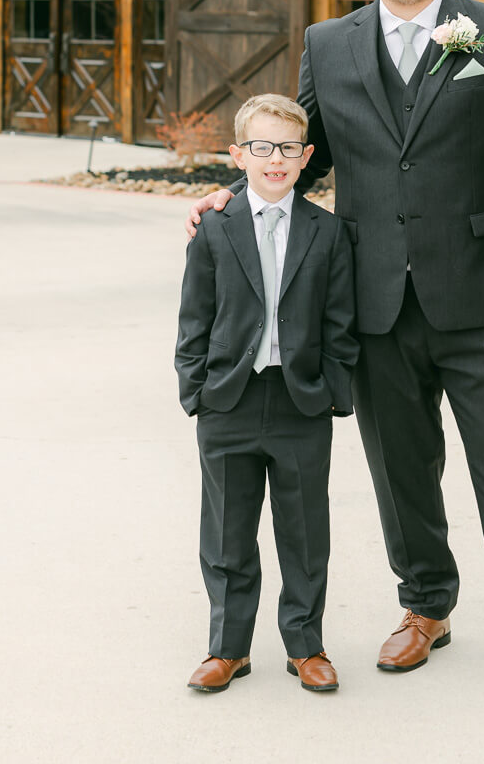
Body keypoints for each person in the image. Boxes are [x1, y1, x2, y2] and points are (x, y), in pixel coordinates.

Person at [187, 0, 484, 695]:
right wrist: (233, 194)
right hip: (372, 299)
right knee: (399, 466)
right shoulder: (327, 43)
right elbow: (298, 152)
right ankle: (426, 608)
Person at [175, 94, 358, 695]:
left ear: (305, 157)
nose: (273, 159)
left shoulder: (327, 232)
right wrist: (196, 389)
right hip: (228, 399)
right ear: (238, 155)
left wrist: (334, 390)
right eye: (260, 147)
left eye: (285, 149)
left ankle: (306, 645)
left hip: (300, 400)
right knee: (227, 532)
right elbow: (194, 317)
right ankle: (228, 647)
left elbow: (340, 324)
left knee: (305, 531)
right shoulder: (215, 227)